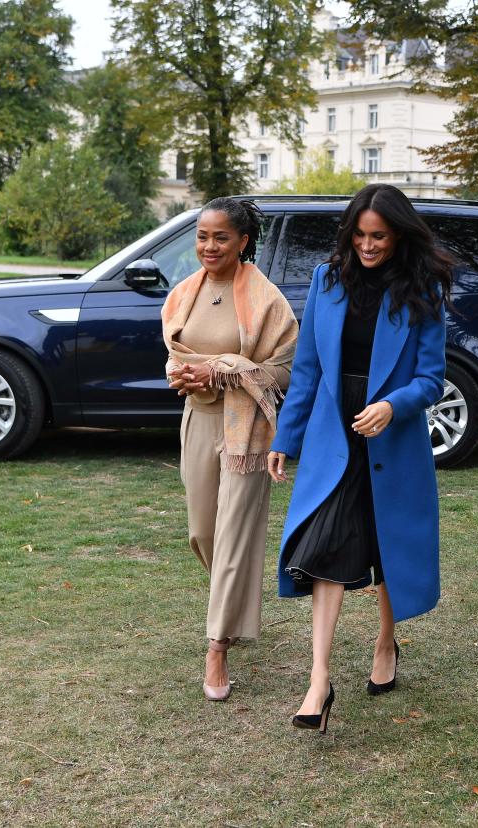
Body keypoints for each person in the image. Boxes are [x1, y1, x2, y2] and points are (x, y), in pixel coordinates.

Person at [267, 183, 451, 733]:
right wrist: (285, 438)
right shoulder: (327, 281)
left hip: (391, 436)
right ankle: (318, 680)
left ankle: (386, 641)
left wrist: (393, 406)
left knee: (387, 544)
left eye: (379, 236)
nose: (368, 246)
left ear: (397, 236)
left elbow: (432, 379)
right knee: (324, 544)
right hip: (334, 432)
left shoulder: (423, 292)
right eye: (360, 235)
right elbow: (307, 369)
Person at [161, 197, 297, 701]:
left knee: (237, 533)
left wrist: (223, 367)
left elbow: (284, 370)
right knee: (202, 533)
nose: (208, 246)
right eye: (202, 236)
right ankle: (233, 606)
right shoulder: (182, 295)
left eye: (220, 237)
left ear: (243, 241)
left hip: (248, 430)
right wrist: (188, 375)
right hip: (199, 419)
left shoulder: (267, 300)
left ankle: (217, 646)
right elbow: (175, 357)